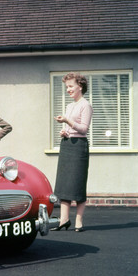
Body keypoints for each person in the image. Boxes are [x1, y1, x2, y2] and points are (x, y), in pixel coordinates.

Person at [52, 72, 93, 232]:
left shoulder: (86, 105)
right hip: (67, 145)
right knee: (64, 183)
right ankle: (63, 220)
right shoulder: (69, 106)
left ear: (80, 86)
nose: (68, 90)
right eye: (66, 87)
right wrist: (65, 131)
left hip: (78, 147)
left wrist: (68, 121)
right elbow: (72, 128)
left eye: (70, 86)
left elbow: (84, 129)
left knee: (77, 183)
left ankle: (79, 221)